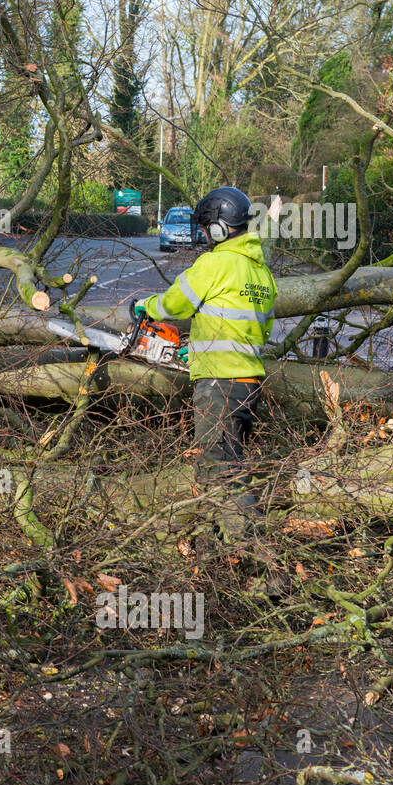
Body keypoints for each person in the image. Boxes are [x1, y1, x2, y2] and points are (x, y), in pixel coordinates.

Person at [133, 186, 283, 590]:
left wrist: (145, 307)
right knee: (212, 467)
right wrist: (196, 346)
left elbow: (173, 305)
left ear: (218, 230)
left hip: (218, 384)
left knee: (225, 472)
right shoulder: (261, 272)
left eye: (205, 228)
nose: (203, 235)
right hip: (248, 383)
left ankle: (269, 570)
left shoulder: (215, 264)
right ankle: (210, 562)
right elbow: (260, 329)